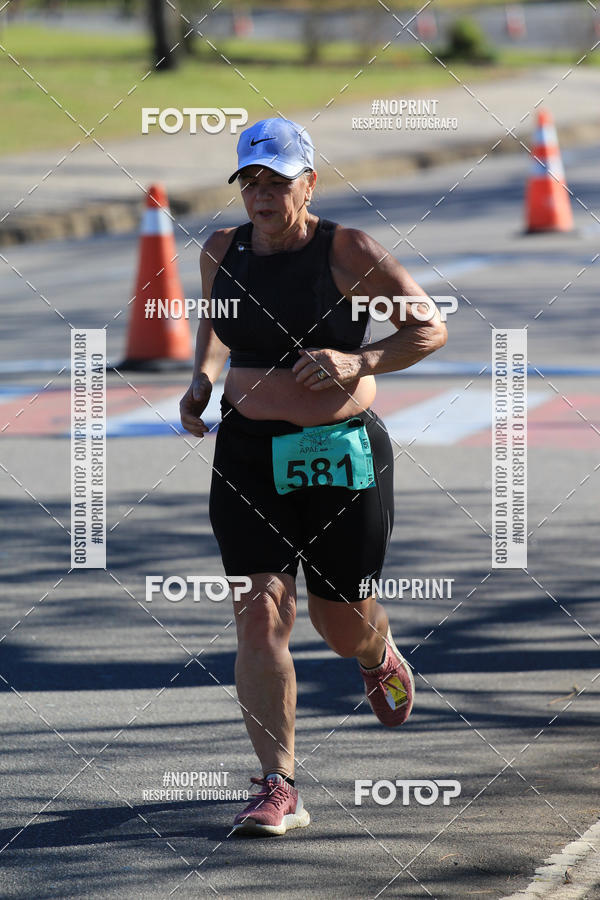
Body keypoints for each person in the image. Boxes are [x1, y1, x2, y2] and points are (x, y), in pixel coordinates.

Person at [180, 117, 447, 836]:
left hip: (340, 452)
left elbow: (428, 326)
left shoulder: (348, 250)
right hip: (248, 454)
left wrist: (358, 360)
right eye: (250, 181)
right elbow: (215, 329)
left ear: (309, 183)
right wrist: (201, 381)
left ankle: (376, 650)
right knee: (260, 612)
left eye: (278, 181)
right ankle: (279, 785)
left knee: (340, 625)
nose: (262, 195)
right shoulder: (222, 249)